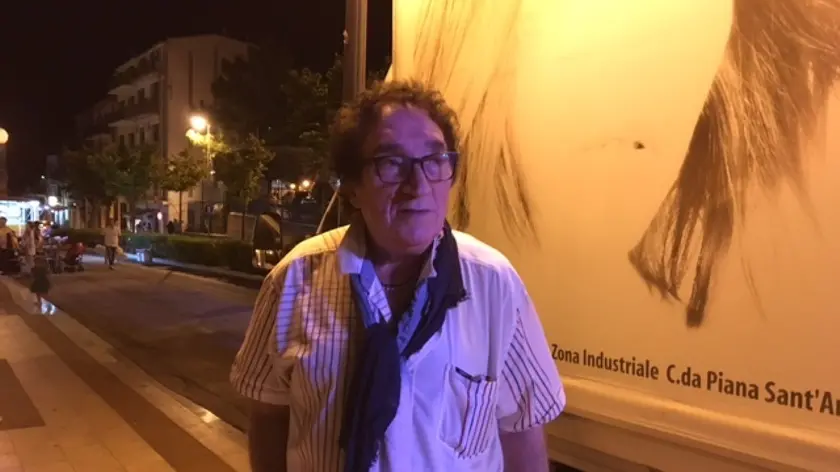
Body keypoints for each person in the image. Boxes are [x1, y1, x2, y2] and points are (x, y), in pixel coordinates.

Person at [230, 80, 565, 472]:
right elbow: (268, 415)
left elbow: (522, 431)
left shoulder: (493, 283)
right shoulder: (294, 279)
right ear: (352, 187)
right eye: (391, 163)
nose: (418, 185)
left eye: (434, 160)